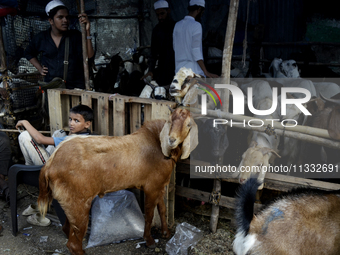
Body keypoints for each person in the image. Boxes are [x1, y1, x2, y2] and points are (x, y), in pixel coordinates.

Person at [24, 0, 94, 89]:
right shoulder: (42, 38)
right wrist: (40, 68)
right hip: (51, 88)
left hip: (74, 87)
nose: (65, 20)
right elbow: (28, 53)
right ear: (51, 20)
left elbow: (89, 57)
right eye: (60, 17)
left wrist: (87, 31)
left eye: (67, 17)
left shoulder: (75, 36)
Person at [16, 104, 93, 166]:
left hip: (49, 169)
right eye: (70, 119)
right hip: (63, 163)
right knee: (59, 133)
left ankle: (30, 168)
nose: (71, 123)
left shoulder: (72, 139)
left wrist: (25, 122)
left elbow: (40, 140)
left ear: (87, 124)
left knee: (25, 135)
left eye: (76, 121)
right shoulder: (88, 135)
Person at [173, 0, 218, 78]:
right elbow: (195, 50)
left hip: (179, 71)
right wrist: (206, 72)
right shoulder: (196, 25)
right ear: (199, 10)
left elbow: (175, 47)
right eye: (202, 13)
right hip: (193, 72)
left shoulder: (177, 25)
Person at [141, 0, 176, 88]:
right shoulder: (156, 30)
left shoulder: (176, 27)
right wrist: (150, 70)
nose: (160, 17)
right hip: (163, 70)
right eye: (158, 15)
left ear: (168, 11)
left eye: (162, 14)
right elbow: (153, 53)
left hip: (176, 68)